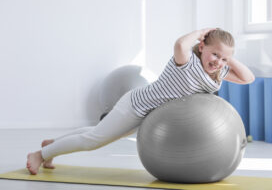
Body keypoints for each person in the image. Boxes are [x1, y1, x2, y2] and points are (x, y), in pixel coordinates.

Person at [26, 28, 255, 175]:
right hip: (136, 106)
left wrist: (228, 57)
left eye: (223, 58)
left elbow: (248, 78)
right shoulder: (188, 61)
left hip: (150, 115)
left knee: (97, 132)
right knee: (94, 140)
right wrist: (201, 33)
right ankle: (39, 155)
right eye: (214, 54)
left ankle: (52, 144)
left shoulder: (217, 73)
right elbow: (179, 44)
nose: (218, 62)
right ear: (202, 47)